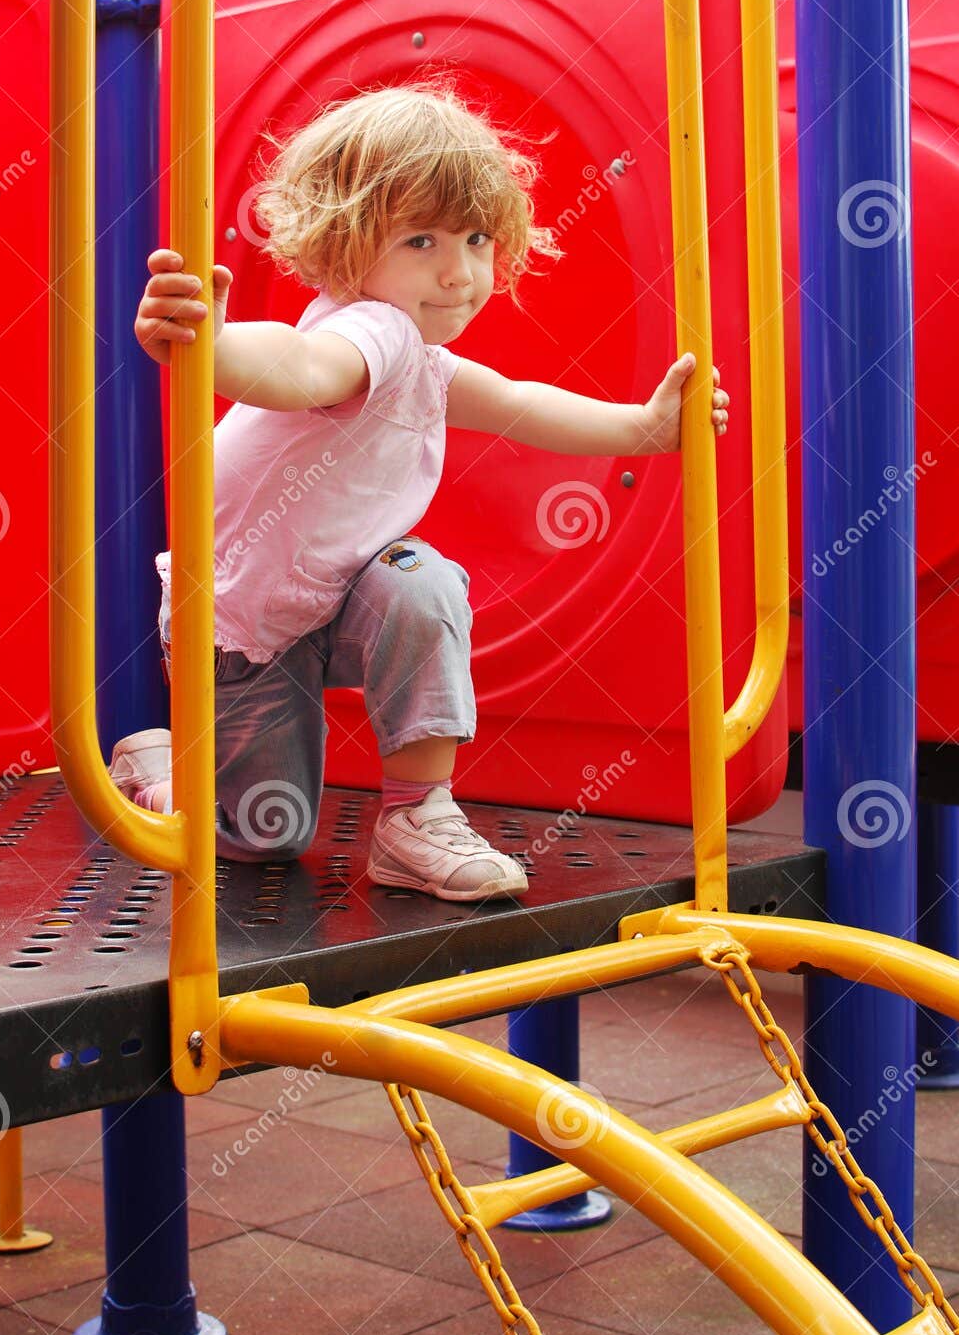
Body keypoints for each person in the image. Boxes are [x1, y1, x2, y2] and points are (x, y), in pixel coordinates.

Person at [112, 81, 729, 903]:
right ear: (342, 245)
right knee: (261, 836)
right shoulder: (373, 333)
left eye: (475, 239)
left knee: (420, 580)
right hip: (241, 622)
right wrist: (214, 347)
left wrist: (644, 429)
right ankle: (162, 771)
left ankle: (416, 813)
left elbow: (517, 403)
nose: (458, 272)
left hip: (340, 598)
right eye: (419, 241)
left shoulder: (422, 363)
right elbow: (299, 368)